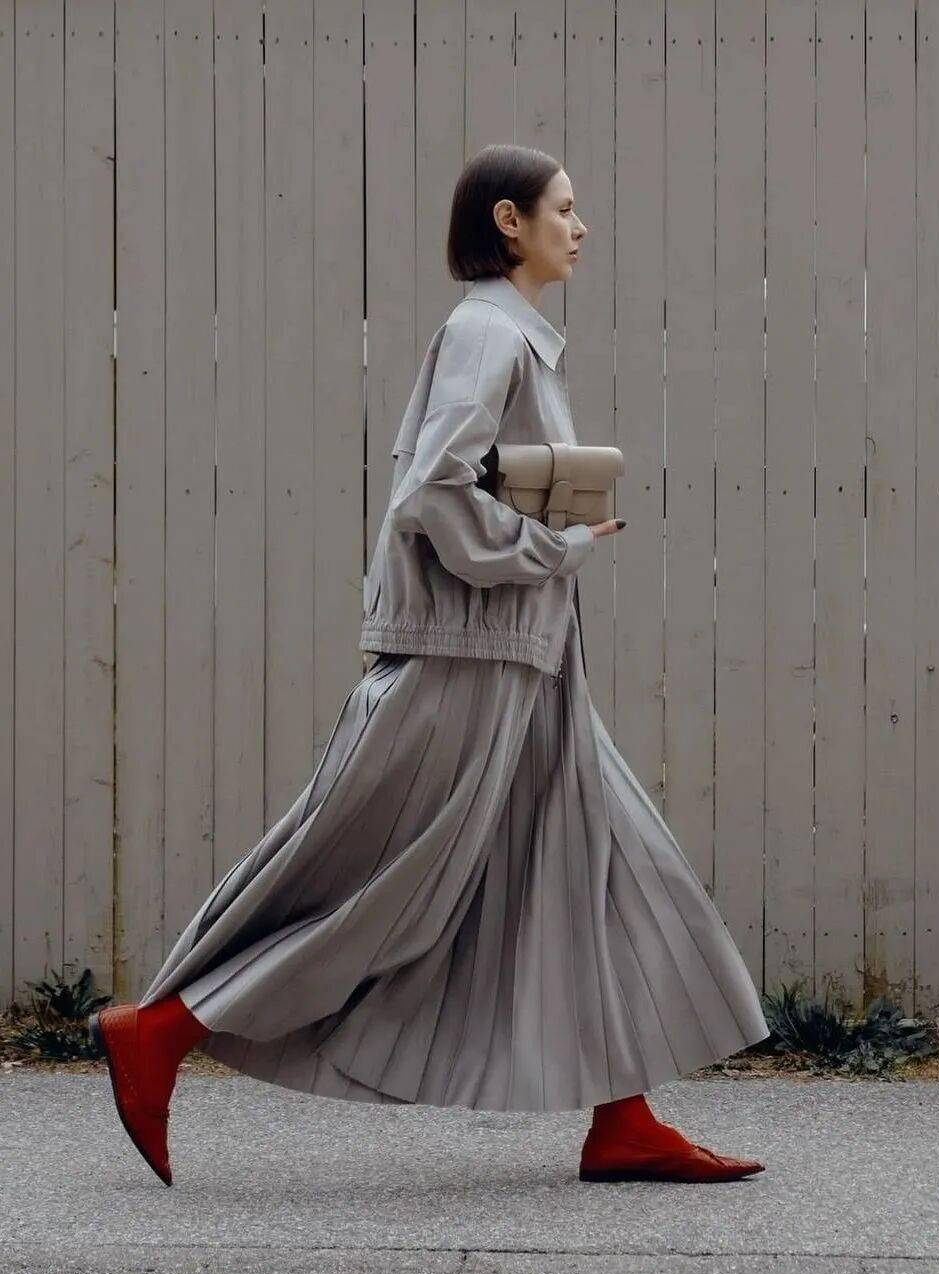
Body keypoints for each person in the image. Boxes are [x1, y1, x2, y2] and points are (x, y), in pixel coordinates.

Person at [89, 143, 770, 1189]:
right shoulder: (486, 333)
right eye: (563, 208)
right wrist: (554, 546)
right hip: (471, 659)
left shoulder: (514, 338)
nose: (580, 227)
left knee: (602, 872)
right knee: (393, 885)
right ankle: (161, 1029)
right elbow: (432, 493)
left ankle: (623, 1117)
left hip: (527, 661)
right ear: (509, 220)